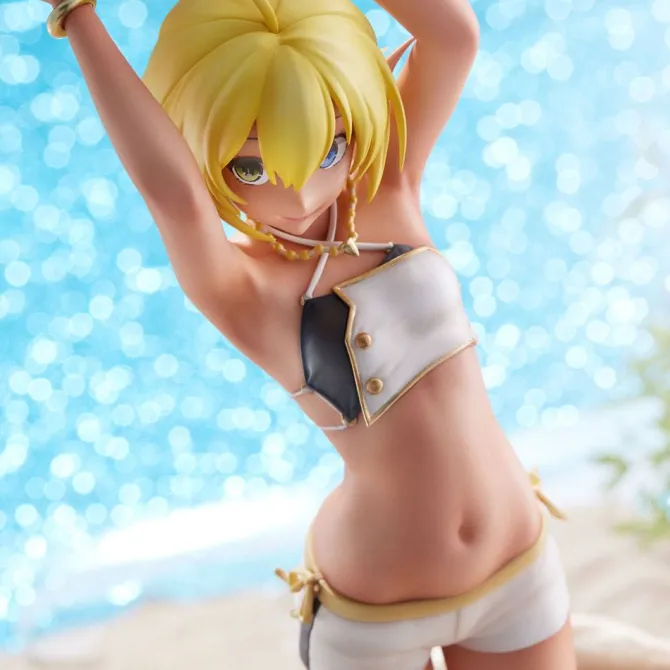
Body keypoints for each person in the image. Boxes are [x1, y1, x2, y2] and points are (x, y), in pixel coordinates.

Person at [42, 0, 577, 668]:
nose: (298, 195)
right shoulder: (244, 291)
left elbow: (453, 35)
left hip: (516, 567)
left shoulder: (386, 187)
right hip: (376, 615)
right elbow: (172, 194)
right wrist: (77, 16)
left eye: (328, 148)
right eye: (250, 169)